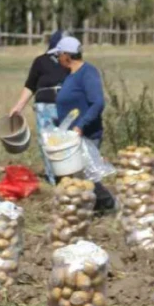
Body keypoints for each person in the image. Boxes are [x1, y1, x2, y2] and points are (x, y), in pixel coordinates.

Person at [53, 37, 114, 212]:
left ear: (67, 55)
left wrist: (81, 125)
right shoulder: (70, 75)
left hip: (85, 134)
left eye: (58, 54)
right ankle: (83, 211)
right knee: (75, 177)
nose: (57, 58)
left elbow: (98, 103)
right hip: (70, 136)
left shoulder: (87, 72)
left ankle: (109, 204)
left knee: (88, 177)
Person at [8, 29, 71, 184]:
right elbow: (30, 85)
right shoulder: (41, 62)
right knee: (48, 143)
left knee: (68, 141)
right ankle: (53, 178)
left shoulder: (72, 62)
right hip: (45, 108)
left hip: (68, 108)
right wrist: (18, 106)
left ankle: (68, 176)